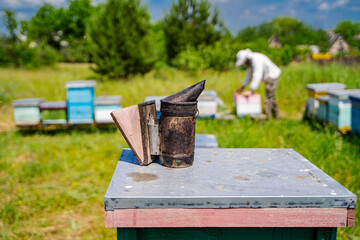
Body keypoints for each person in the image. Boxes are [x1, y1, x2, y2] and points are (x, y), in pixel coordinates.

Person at [235, 48, 281, 118]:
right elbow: (248, 76)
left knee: (268, 98)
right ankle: (277, 117)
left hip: (272, 77)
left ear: (246, 59)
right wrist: (242, 88)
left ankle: (266, 118)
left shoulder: (256, 59)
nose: (244, 63)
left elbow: (257, 75)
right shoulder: (251, 62)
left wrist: (251, 90)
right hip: (269, 77)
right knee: (271, 98)